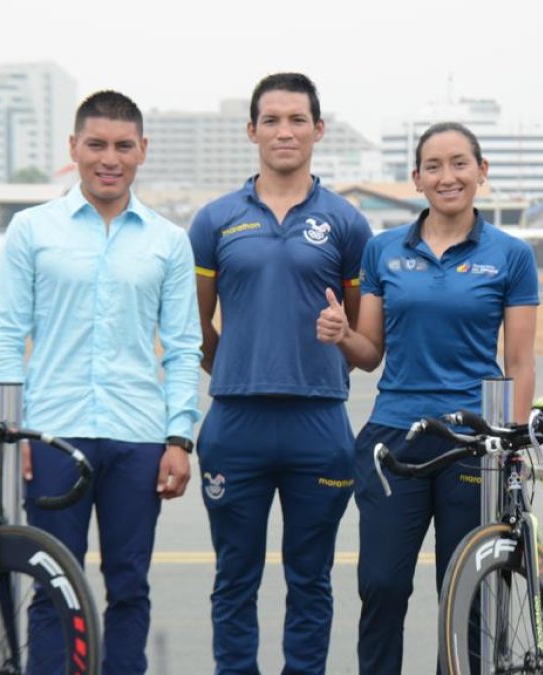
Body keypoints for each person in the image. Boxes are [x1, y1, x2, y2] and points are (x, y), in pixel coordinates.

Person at [0, 90, 202, 675]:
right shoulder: (33, 230)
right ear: (74, 149)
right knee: (52, 581)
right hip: (52, 435)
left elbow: (184, 348)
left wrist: (179, 438)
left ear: (142, 151)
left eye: (123, 146)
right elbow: (6, 335)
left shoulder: (167, 242)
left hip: (138, 437)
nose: (110, 158)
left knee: (129, 586)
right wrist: (12, 431)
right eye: (97, 145)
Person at [316, 121, 539, 673]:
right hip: (395, 436)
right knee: (382, 587)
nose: (448, 176)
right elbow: (370, 353)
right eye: (433, 166)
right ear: (416, 179)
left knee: (466, 594)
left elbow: (518, 363)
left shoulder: (511, 255)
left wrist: (508, 442)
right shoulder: (383, 250)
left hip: (472, 441)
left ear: (481, 173)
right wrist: (343, 335)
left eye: (460, 163)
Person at [187, 72, 373, 675]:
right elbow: (197, 326)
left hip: (318, 423)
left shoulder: (347, 223)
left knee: (311, 580)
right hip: (235, 422)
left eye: (297, 119)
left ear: (318, 130)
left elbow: (363, 338)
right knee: (233, 578)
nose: (284, 131)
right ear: (252, 131)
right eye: (271, 120)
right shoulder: (214, 220)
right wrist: (239, 368)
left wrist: (336, 340)